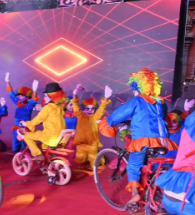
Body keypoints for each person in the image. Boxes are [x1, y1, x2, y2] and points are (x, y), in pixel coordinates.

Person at [106, 68, 177, 206]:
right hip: (161, 140)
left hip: (143, 140)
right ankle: (155, 187)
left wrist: (108, 122)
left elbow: (117, 115)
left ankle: (135, 194)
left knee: (134, 165)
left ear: (137, 87)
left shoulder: (137, 100)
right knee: (155, 163)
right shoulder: (160, 102)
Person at [19, 82, 67, 159]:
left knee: (27, 136)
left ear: (52, 97)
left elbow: (38, 119)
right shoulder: (60, 108)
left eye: (46, 96)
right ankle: (47, 161)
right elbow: (55, 119)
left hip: (50, 136)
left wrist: (26, 123)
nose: (44, 98)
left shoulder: (48, 107)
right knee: (43, 145)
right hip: (60, 137)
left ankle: (38, 154)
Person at [71, 87, 112, 168]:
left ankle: (101, 158)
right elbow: (75, 105)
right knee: (79, 161)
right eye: (87, 109)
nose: (90, 111)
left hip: (92, 145)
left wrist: (106, 97)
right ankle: (88, 157)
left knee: (95, 164)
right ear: (83, 109)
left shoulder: (95, 117)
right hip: (81, 145)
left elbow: (101, 109)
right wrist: (75, 93)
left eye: (92, 109)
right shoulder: (80, 115)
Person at [5, 72, 40, 152]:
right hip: (16, 128)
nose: (19, 96)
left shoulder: (29, 105)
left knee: (27, 148)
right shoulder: (17, 102)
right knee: (15, 148)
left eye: (22, 95)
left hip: (25, 129)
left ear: (27, 97)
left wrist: (35, 90)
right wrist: (7, 80)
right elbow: (11, 94)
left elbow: (34, 100)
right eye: (19, 95)